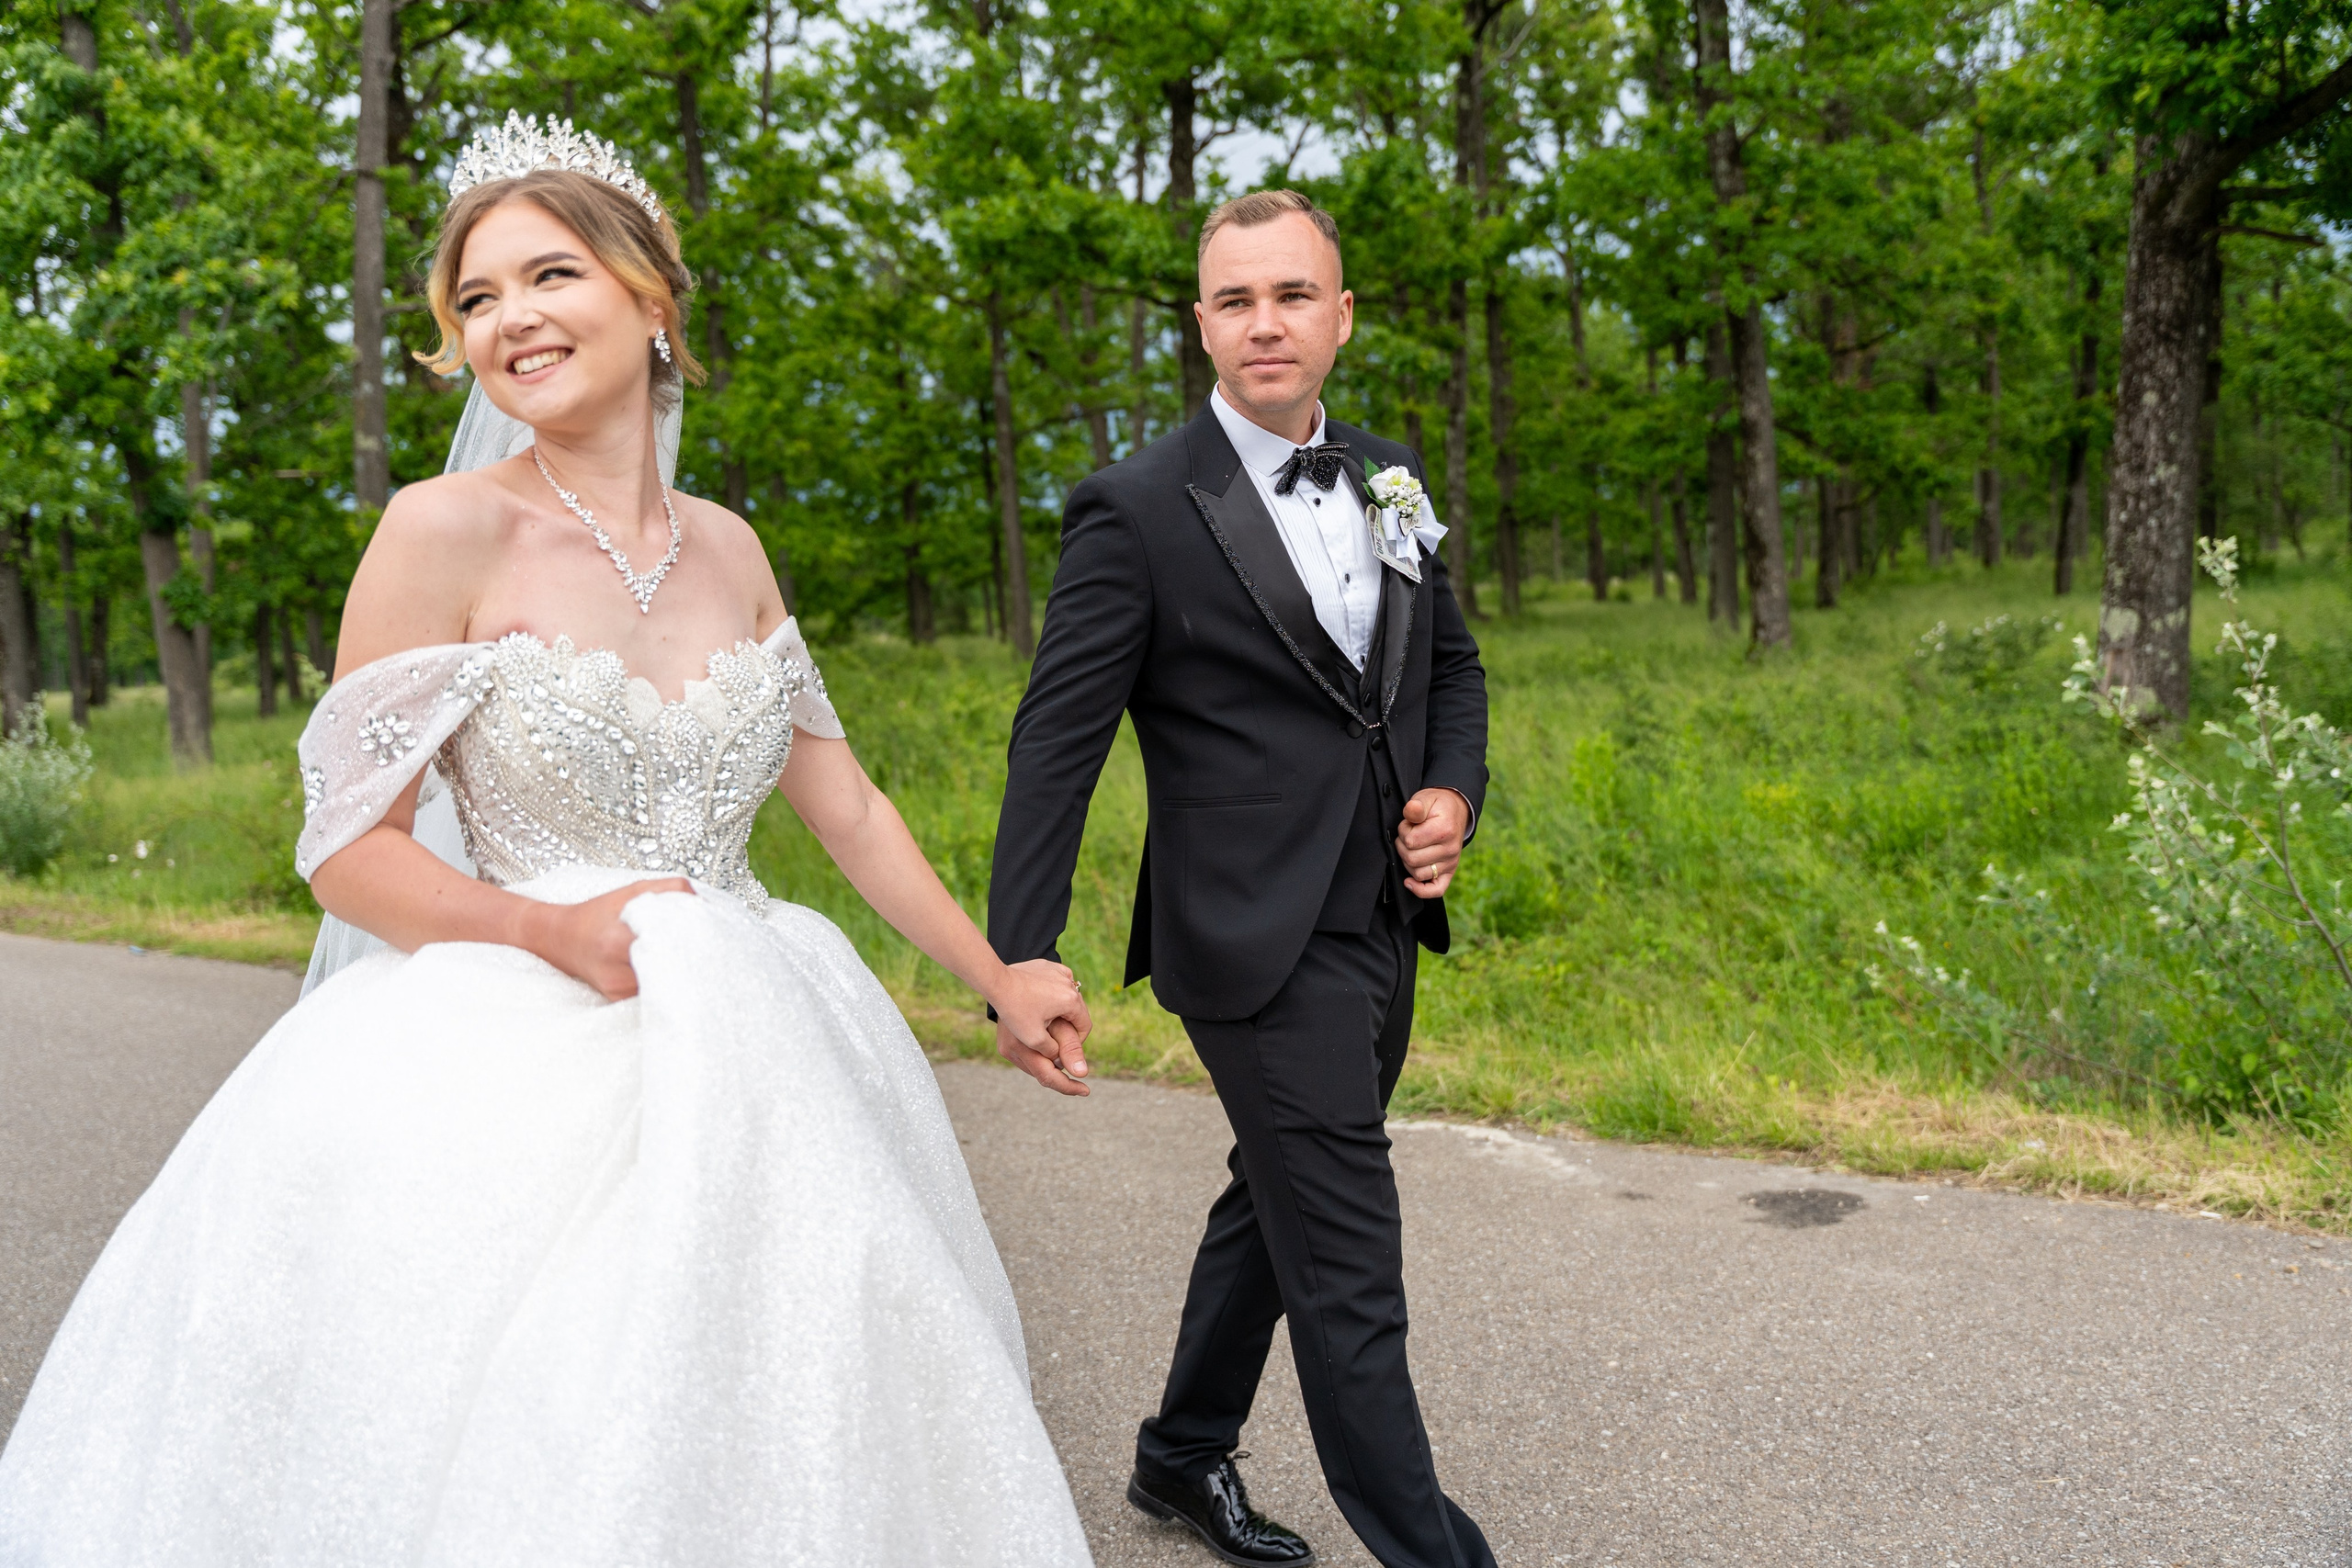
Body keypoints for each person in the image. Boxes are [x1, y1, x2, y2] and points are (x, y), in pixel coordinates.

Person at [0, 116, 1096, 1567]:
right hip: (522, 1016)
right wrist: (551, 931)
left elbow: (846, 804)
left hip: (768, 1035)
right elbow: (347, 853)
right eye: (475, 297)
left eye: (551, 274)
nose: (510, 317)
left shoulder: (733, 547)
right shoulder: (439, 530)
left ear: (652, 297)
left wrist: (999, 971)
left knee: (797, 1387)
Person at [988, 190, 1496, 1568]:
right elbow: (1057, 743)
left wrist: (1453, 790)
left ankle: (1180, 1455)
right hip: (1251, 941)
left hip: (1384, 921)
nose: (1263, 323)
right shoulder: (1137, 509)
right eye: (1232, 300)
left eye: (1289, 296)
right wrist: (1016, 952)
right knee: (1349, 1264)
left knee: (1274, 1202)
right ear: (1201, 323)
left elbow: (1447, 670)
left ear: (1341, 315)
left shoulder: (1392, 476)